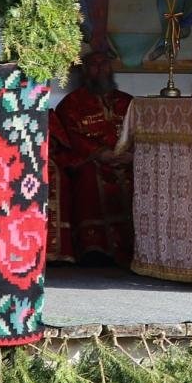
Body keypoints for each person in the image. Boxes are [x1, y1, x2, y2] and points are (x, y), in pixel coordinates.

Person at [49, 50, 135, 266]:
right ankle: (95, 248)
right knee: (89, 177)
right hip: (91, 161)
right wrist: (100, 154)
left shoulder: (128, 102)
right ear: (85, 71)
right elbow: (70, 136)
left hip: (127, 160)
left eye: (104, 64)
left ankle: (136, 246)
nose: (100, 70)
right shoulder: (71, 103)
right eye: (94, 65)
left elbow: (141, 132)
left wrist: (132, 155)